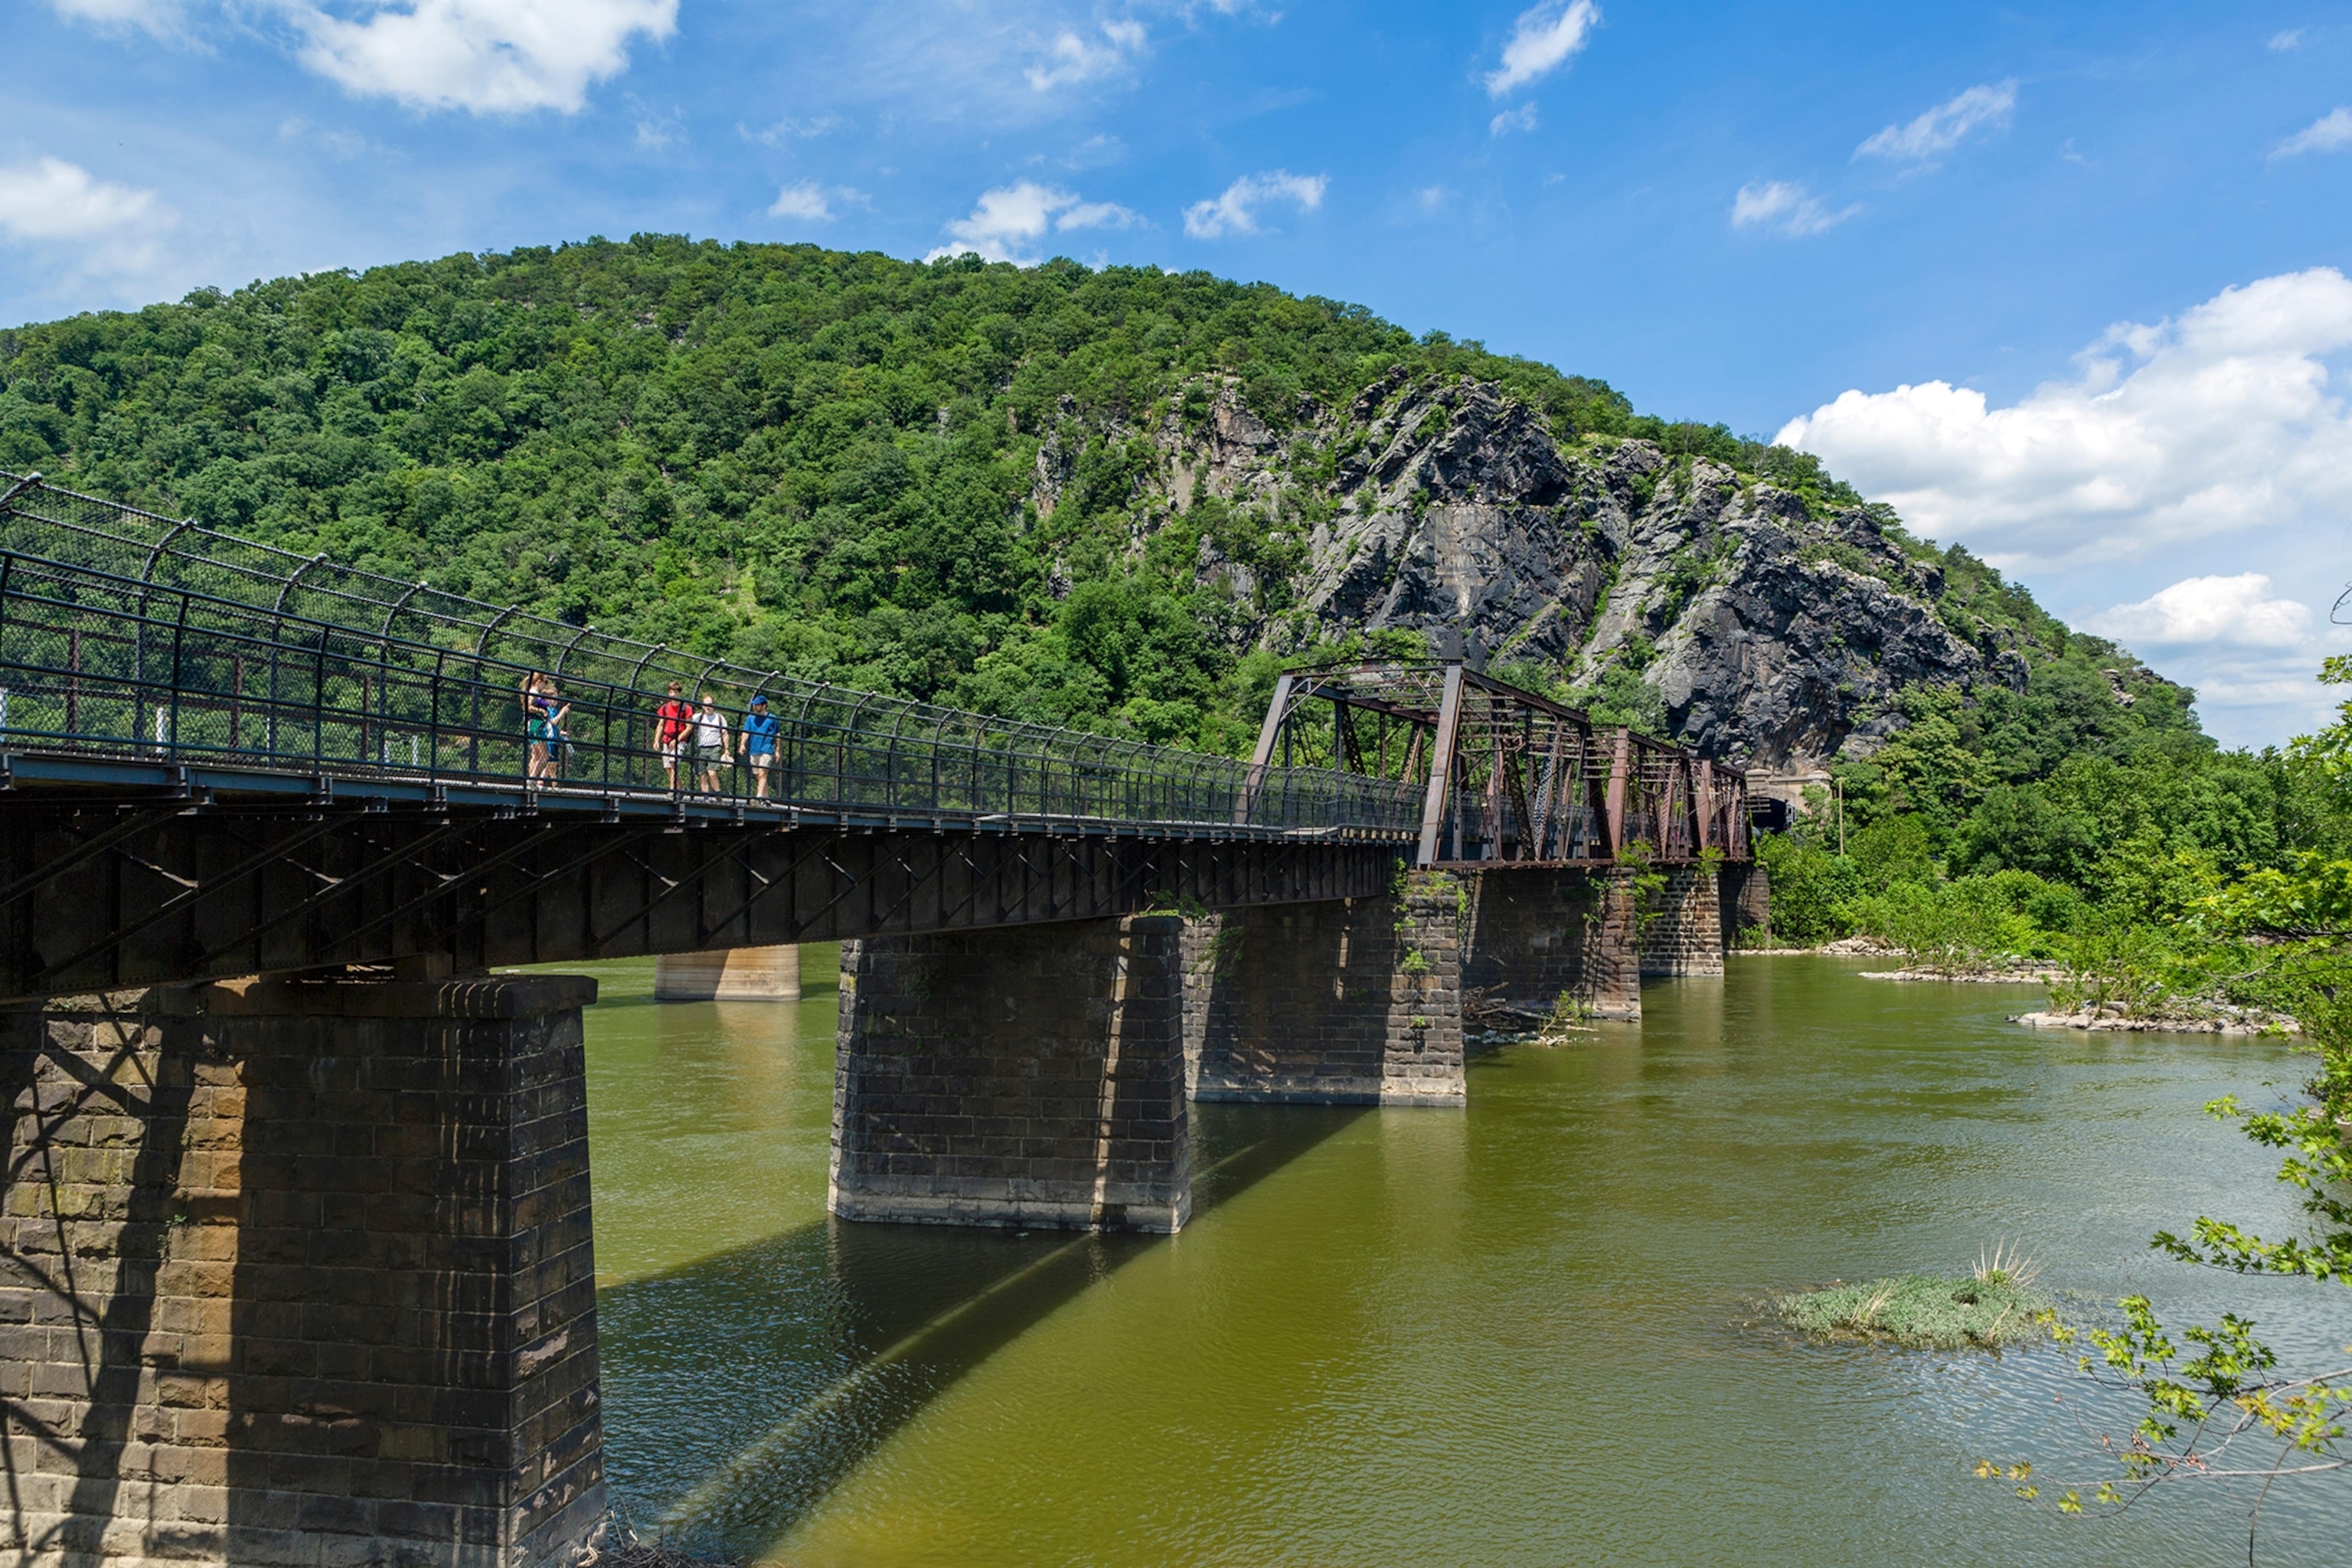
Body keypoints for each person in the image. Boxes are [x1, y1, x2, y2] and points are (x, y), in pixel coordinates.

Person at [522, 674, 568, 784]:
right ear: (539, 682)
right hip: (536, 723)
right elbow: (528, 707)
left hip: (535, 723)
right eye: (545, 682)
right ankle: (532, 779)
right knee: (544, 755)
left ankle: (531, 778)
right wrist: (542, 711)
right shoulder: (534, 693)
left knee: (536, 754)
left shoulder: (534, 693)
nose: (546, 685)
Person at [738, 693, 779, 800]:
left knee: (762, 772)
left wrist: (778, 750)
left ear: (764, 706)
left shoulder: (772, 718)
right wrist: (742, 744)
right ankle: (766, 799)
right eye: (754, 705)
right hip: (754, 749)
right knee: (759, 776)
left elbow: (777, 735)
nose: (754, 707)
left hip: (767, 749)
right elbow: (746, 732)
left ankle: (759, 797)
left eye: (757, 705)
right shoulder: (751, 718)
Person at [654, 680, 694, 790]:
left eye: (676, 692)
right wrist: (656, 740)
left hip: (680, 739)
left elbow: (689, 728)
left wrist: (677, 740)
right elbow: (661, 724)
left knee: (673, 762)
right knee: (668, 767)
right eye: (671, 692)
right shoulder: (665, 707)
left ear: (680, 693)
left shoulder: (686, 708)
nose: (674, 695)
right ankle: (680, 789)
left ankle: (672, 791)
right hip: (667, 738)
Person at [693, 691, 728, 794]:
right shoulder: (698, 717)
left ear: (713, 705)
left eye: (710, 705)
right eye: (705, 705)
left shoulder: (720, 718)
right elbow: (687, 721)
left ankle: (717, 793)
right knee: (702, 774)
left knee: (712, 772)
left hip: (715, 747)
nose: (707, 707)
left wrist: (726, 750)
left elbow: (725, 734)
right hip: (702, 747)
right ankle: (705, 796)